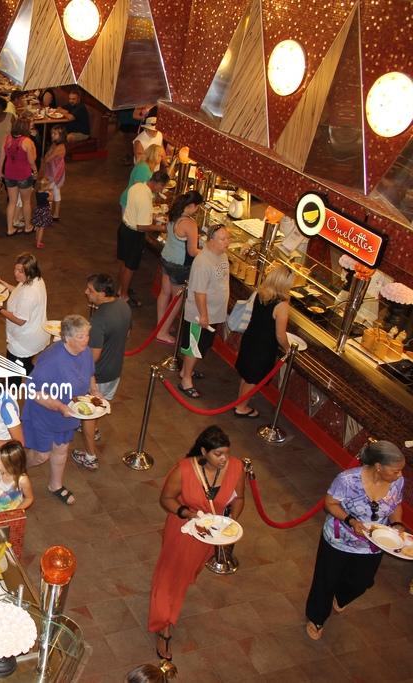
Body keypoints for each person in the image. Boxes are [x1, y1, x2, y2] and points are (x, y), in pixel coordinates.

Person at [149, 425, 245, 661]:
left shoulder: (236, 467)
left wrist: (230, 522)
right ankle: (163, 626)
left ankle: (170, 602)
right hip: (183, 530)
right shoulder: (184, 470)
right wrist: (187, 513)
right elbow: (166, 499)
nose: (224, 459)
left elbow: (239, 498)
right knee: (169, 577)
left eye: (226, 453)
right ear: (204, 451)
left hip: (210, 535)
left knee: (186, 573)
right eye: (218, 454)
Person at [304, 440, 405, 641]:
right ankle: (317, 618)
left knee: (362, 582)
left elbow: (396, 505)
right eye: (395, 470)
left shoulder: (397, 482)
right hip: (339, 540)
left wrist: (396, 524)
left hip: (374, 543)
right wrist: (351, 521)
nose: (399, 474)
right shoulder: (347, 480)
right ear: (379, 466)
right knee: (326, 581)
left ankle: (342, 596)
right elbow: (330, 504)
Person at [22, 314, 100, 506]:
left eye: (87, 335)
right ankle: (17, 470)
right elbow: (31, 390)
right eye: (81, 336)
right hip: (44, 414)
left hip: (68, 413)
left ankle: (55, 485)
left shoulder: (85, 352)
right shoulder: (52, 360)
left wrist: (95, 391)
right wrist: (59, 406)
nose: (86, 340)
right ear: (67, 337)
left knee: (61, 449)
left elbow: (90, 374)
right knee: (41, 455)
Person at [74, 273, 131, 470]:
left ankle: (90, 456)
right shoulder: (124, 306)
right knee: (99, 406)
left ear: (103, 293)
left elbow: (93, 356)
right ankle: (94, 428)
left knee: (88, 415)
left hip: (98, 376)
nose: (86, 292)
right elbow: (127, 334)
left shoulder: (99, 319)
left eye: (90, 290)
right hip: (115, 371)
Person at [233, 263, 293, 417]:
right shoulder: (282, 305)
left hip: (250, 338)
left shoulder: (261, 293)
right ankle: (241, 407)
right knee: (253, 379)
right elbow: (280, 335)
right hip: (264, 347)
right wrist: (288, 349)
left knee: (246, 375)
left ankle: (239, 401)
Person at [177, 223, 230, 398]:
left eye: (227, 238)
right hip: (200, 316)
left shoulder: (222, 255)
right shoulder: (202, 262)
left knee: (202, 346)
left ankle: (186, 371)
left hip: (213, 314)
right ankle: (186, 380)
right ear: (211, 241)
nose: (227, 242)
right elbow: (199, 292)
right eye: (222, 239)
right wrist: (204, 315)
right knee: (194, 348)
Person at [154, 191, 202, 344]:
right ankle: (162, 332)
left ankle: (160, 325)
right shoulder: (190, 224)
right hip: (179, 265)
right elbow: (192, 251)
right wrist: (208, 252)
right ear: (192, 206)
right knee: (177, 299)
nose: (197, 210)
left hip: (166, 258)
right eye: (197, 207)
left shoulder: (173, 214)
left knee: (164, 293)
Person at [117, 170, 170, 307]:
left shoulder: (137, 186)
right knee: (130, 267)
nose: (161, 190)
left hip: (124, 228)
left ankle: (121, 289)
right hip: (134, 235)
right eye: (162, 187)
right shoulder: (146, 199)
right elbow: (141, 226)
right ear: (158, 183)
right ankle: (124, 296)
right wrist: (162, 228)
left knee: (123, 262)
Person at [0, 252, 49, 374]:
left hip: (24, 342)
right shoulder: (37, 279)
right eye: (15, 269)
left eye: (20, 271)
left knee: (14, 373)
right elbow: (20, 292)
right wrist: (7, 286)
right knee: (25, 366)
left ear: (30, 272)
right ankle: (39, 380)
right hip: (35, 334)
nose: (15, 273)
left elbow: (19, 320)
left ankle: (36, 381)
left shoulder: (29, 294)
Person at [0, 118, 37, 236]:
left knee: (12, 202)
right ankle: (28, 227)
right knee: (26, 202)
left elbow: (1, 157)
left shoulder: (7, 138)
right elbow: (31, 160)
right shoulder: (27, 141)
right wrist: (35, 171)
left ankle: (10, 229)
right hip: (24, 174)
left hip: (9, 174)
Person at [119, 144, 164, 211]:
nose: (162, 158)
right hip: (130, 202)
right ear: (154, 156)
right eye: (160, 155)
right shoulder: (143, 168)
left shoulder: (149, 166)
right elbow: (138, 189)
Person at [41, 125, 66, 222]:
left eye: (55, 134)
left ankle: (48, 214)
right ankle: (55, 214)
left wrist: (47, 156)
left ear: (61, 135)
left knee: (49, 192)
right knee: (56, 191)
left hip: (55, 173)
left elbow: (47, 158)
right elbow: (47, 156)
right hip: (53, 171)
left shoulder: (60, 147)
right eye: (52, 133)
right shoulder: (55, 144)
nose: (52, 135)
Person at [31, 177, 54, 249]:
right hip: (44, 211)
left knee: (38, 226)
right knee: (42, 228)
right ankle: (38, 243)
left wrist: (46, 191)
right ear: (45, 187)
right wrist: (51, 193)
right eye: (48, 185)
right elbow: (51, 200)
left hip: (38, 210)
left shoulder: (37, 192)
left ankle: (37, 239)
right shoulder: (46, 195)